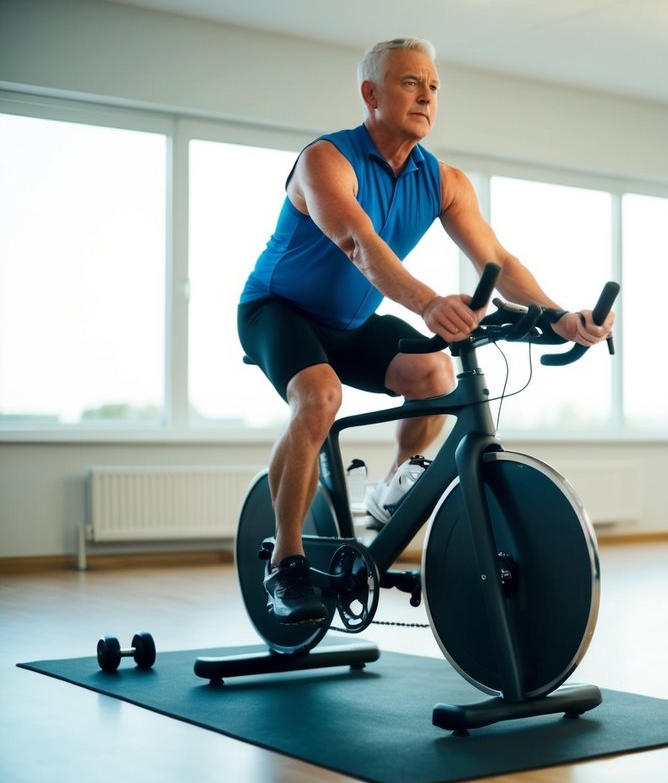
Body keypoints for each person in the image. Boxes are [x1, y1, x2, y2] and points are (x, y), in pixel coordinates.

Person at [237, 37, 614, 624]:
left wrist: (556, 315)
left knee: (435, 372)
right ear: (371, 94)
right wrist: (429, 303)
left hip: (353, 323)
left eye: (433, 86)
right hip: (277, 310)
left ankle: (389, 492)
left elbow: (500, 261)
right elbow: (357, 242)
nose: (426, 96)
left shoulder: (443, 180)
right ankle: (284, 564)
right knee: (319, 397)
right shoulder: (327, 160)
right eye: (411, 82)